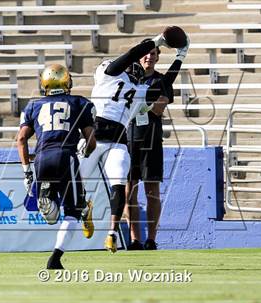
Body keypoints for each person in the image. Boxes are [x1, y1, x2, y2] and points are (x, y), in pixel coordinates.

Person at [79, 32, 190, 253]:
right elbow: (161, 82)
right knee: (119, 187)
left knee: (109, 185)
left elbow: (160, 85)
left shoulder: (116, 77)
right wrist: (179, 56)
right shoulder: (137, 89)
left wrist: (162, 45)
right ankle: (112, 231)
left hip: (102, 137)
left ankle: (111, 231)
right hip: (119, 141)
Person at [17, 64, 96, 269]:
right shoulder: (80, 103)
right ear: (67, 81)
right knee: (72, 211)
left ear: (44, 84)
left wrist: (27, 170)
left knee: (52, 218)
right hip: (66, 156)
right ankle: (55, 258)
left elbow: (21, 139)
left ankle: (47, 200)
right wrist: (83, 152)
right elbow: (91, 142)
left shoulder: (33, 106)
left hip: (42, 158)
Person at [124, 39, 175, 251]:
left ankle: (151, 239)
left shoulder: (162, 81)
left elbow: (157, 109)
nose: (149, 57)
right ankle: (135, 239)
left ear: (158, 57)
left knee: (152, 191)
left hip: (151, 141)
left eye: (154, 53)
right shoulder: (126, 80)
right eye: (146, 53)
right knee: (129, 192)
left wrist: (137, 103)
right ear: (138, 56)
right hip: (126, 140)